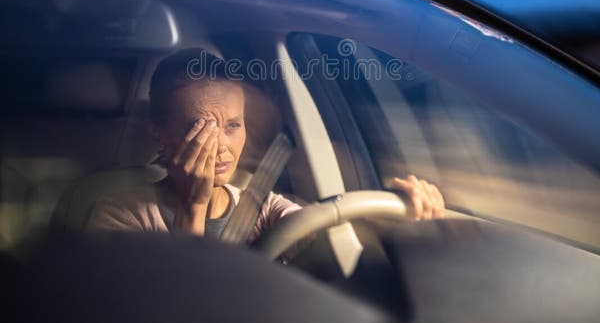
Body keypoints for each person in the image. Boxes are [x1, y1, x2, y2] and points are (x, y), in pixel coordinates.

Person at [87, 48, 446, 242]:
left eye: (232, 126)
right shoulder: (120, 213)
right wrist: (192, 208)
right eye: (202, 128)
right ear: (157, 133)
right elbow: (177, 315)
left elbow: (334, 240)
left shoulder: (262, 208)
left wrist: (401, 213)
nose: (221, 146)